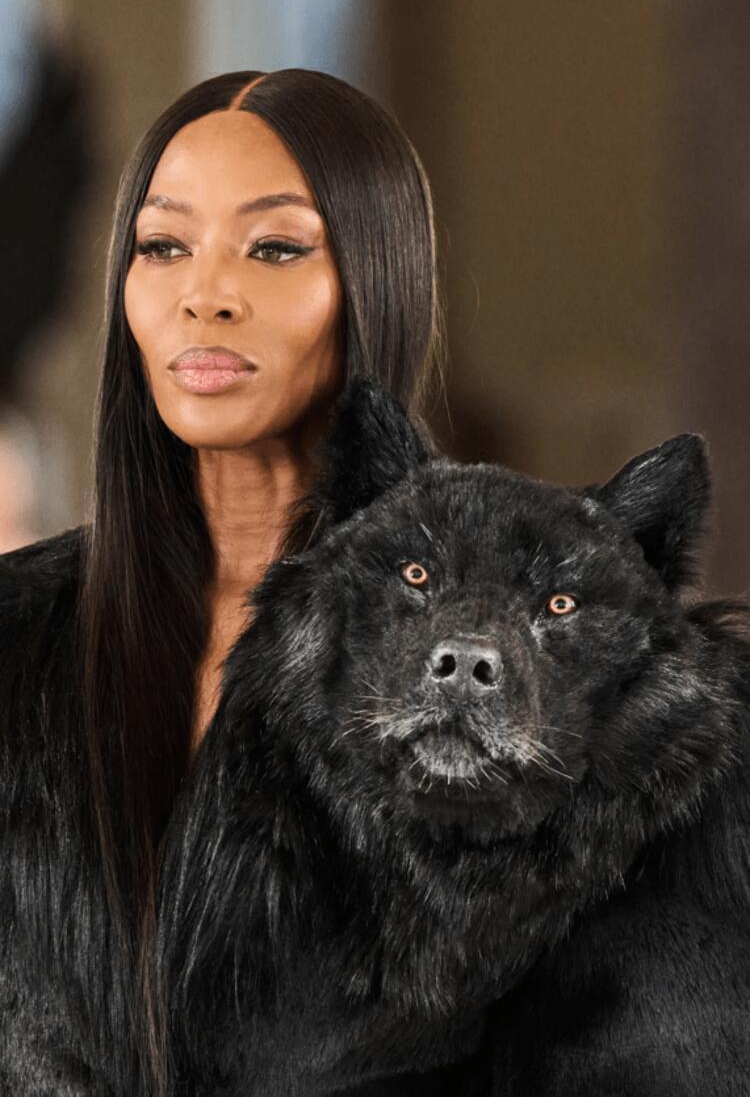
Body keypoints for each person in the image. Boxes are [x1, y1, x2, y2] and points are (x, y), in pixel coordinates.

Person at [0, 68, 448, 1095]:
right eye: (163, 246)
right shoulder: (14, 635)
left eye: (275, 247)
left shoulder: (503, 661)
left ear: (374, 276)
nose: (205, 293)